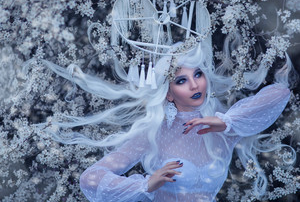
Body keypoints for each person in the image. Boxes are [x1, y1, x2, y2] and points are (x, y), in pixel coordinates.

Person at [42, 39, 295, 202]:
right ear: (168, 92)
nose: (195, 84)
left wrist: (227, 123)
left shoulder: (222, 127)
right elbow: (90, 179)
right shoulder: (153, 132)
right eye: (181, 80)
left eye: (198, 74)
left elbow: (280, 94)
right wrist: (144, 186)